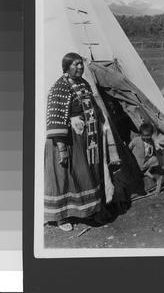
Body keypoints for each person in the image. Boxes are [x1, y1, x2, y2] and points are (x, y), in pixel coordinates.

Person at [44, 52, 109, 231]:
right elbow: (55, 120)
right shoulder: (60, 87)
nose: (80, 67)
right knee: (65, 178)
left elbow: (93, 106)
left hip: (86, 141)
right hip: (66, 142)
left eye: (81, 64)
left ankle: (90, 211)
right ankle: (61, 218)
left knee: (84, 176)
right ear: (66, 67)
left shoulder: (83, 83)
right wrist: (62, 148)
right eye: (75, 64)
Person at [129, 123, 164, 196]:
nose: (146, 138)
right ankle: (144, 173)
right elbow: (128, 148)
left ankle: (147, 171)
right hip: (136, 163)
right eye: (144, 136)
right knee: (135, 175)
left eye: (148, 136)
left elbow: (153, 151)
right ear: (140, 134)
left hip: (145, 163)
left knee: (155, 159)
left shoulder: (151, 141)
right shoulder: (136, 140)